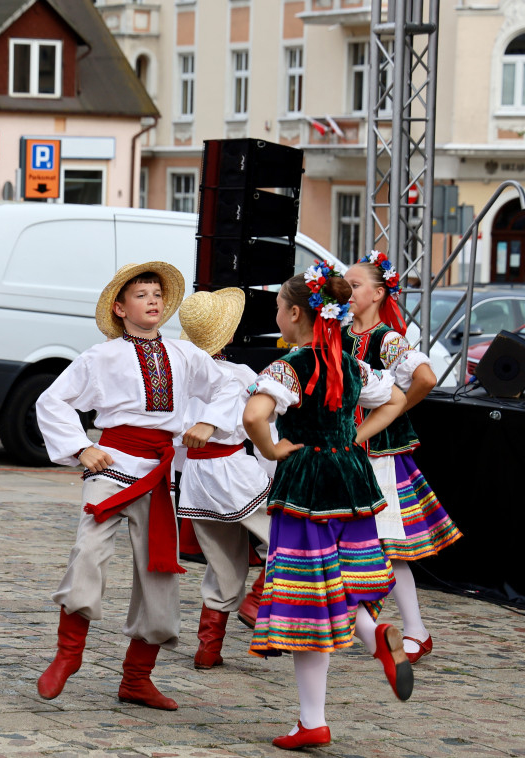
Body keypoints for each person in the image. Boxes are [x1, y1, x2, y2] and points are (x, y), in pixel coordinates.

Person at [34, 263, 237, 710]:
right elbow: (52, 400)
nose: (152, 301)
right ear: (120, 308)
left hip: (158, 474)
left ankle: (137, 678)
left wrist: (208, 420)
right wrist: (80, 448)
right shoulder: (100, 357)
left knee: (158, 571)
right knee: (88, 553)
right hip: (111, 466)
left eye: (158, 295)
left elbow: (231, 388)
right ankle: (68, 655)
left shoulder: (187, 356)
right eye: (142, 294)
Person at [242, 263, 412, 750]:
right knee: (338, 581)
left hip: (307, 487)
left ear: (295, 312)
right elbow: (396, 397)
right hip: (353, 481)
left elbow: (255, 414)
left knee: (308, 598)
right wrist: (353, 437)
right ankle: (372, 636)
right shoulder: (351, 362)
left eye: (277, 307)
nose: (276, 314)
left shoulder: (289, 365)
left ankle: (312, 719)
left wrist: (273, 448)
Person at [343, 252, 461, 663]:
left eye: (355, 285)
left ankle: (414, 631)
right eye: (345, 284)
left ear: (378, 293)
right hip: (347, 454)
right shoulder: (339, 335)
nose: (347, 290)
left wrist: (389, 414)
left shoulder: (387, 339)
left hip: (379, 455)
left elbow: (426, 377)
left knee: (386, 546)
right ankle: (377, 627)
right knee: (354, 544)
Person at [175, 288, 272, 670]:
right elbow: (258, 429)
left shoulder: (178, 378)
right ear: (229, 336)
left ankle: (208, 648)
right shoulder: (240, 375)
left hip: (197, 481)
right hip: (232, 473)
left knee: (223, 562)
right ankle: (259, 599)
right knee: (288, 534)